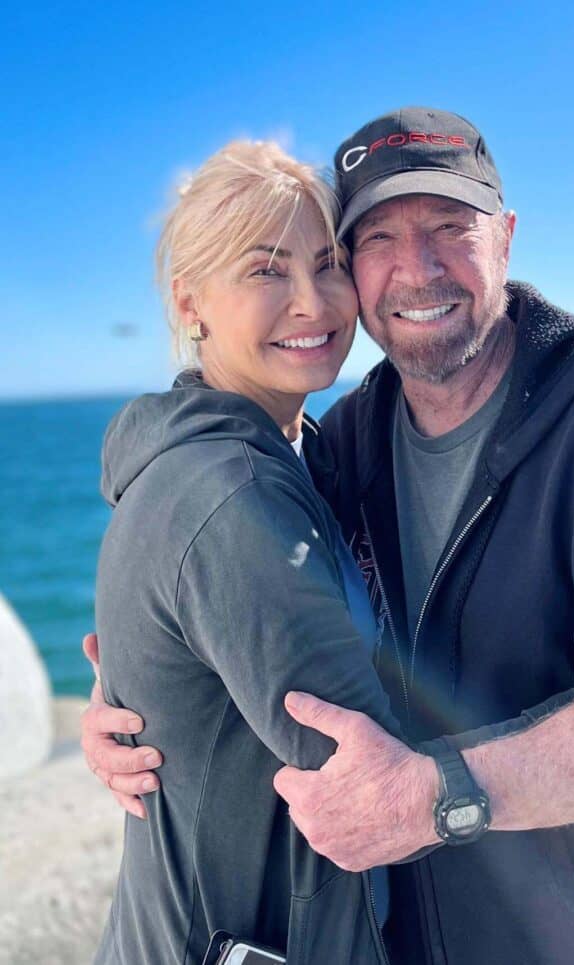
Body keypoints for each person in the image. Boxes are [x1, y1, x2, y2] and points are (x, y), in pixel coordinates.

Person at [83, 109, 574, 964]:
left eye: (451, 226)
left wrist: (439, 793)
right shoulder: (342, 449)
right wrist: (144, 706)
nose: (417, 269)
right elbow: (249, 614)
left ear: (507, 239)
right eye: (373, 240)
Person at [88, 139, 425, 965]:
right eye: (267, 271)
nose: (312, 303)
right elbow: (369, 782)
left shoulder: (290, 452)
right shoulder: (228, 493)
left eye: (327, 264)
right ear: (191, 302)